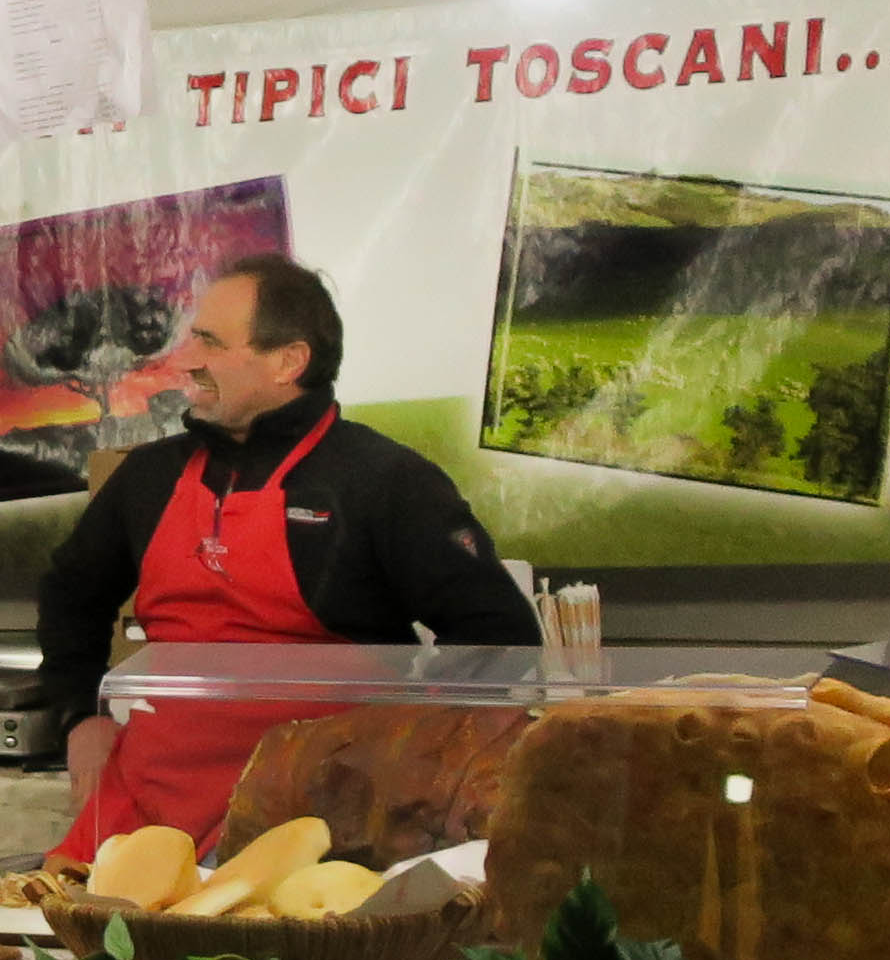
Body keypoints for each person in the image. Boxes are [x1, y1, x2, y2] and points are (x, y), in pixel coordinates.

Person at [38, 253, 536, 857]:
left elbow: (498, 635)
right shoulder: (149, 477)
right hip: (144, 810)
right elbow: (70, 595)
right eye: (192, 338)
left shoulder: (384, 480)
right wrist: (78, 718)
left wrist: (402, 756)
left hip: (322, 827)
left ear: (288, 361)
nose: (186, 360)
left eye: (210, 342)